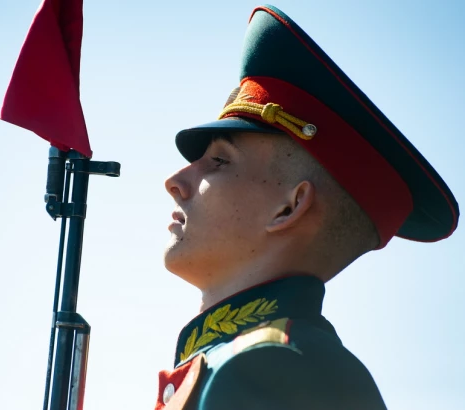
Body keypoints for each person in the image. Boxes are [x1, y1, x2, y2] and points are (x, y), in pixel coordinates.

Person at [153, 5, 459, 410]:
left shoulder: (269, 370)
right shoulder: (255, 363)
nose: (175, 182)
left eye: (220, 161)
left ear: (290, 207)